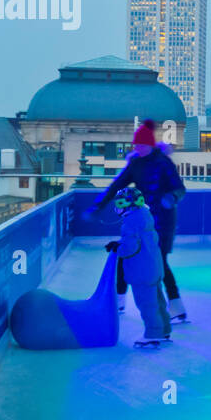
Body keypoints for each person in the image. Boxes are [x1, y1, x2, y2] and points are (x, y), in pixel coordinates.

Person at [85, 119, 188, 321]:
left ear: (149, 145)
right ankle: (119, 301)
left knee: (160, 264)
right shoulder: (136, 164)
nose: (138, 148)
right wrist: (98, 205)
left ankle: (176, 306)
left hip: (164, 221)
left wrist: (171, 197)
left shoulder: (163, 163)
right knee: (126, 255)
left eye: (141, 145)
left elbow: (180, 188)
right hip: (142, 220)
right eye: (136, 145)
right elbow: (116, 186)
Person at [106, 186, 170, 348]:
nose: (117, 208)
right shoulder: (144, 216)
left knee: (146, 303)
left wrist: (118, 249)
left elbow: (130, 248)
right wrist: (119, 243)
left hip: (141, 271)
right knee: (158, 300)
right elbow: (139, 240)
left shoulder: (130, 222)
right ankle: (164, 329)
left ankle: (153, 334)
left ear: (129, 205)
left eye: (120, 204)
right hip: (154, 267)